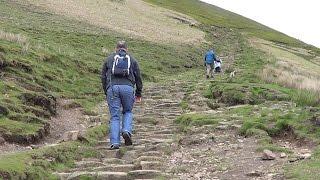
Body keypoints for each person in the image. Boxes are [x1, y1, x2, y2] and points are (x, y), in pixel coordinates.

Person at [101, 40, 143, 150]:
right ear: (126, 49)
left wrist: (107, 90)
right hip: (128, 88)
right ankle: (126, 130)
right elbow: (138, 77)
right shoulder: (132, 59)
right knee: (127, 111)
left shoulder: (109, 59)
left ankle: (115, 142)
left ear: (116, 48)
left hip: (113, 88)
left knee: (115, 116)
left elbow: (103, 76)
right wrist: (138, 93)